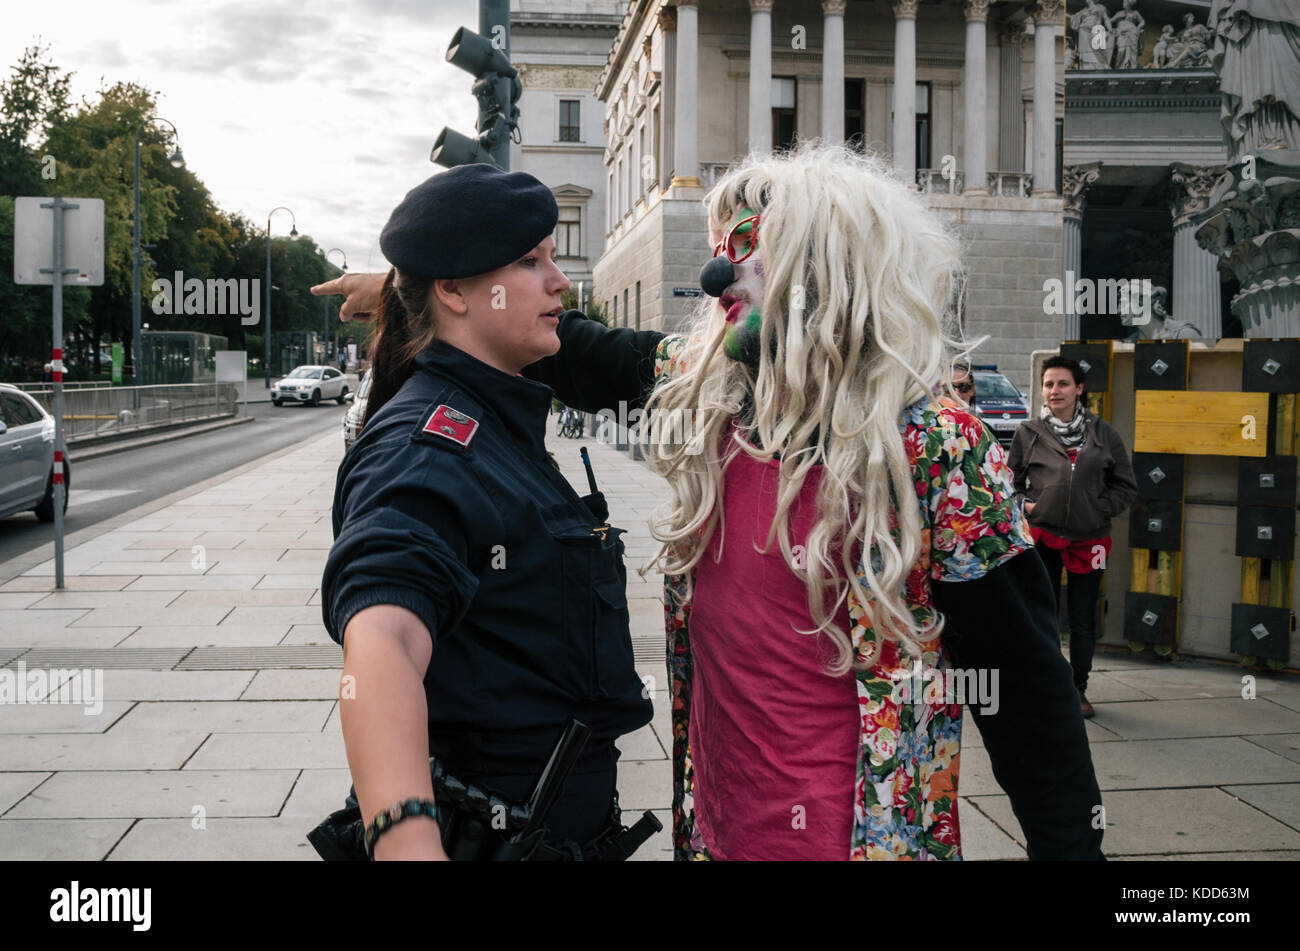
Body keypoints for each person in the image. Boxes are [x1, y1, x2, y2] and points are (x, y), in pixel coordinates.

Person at [321, 145, 1107, 861]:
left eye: (748, 253)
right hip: (715, 840)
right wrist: (417, 287)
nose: (716, 279)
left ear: (825, 273)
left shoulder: (933, 445)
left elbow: (1029, 702)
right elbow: (583, 350)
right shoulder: (719, 397)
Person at [311, 164, 656, 861]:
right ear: (452, 291)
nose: (561, 281)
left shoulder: (492, 417)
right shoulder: (429, 446)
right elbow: (383, 639)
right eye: (531, 261)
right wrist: (405, 838)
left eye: (554, 257)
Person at [1008, 355, 1138, 719]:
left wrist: (1096, 509)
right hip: (1043, 537)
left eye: (1063, 383)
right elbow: (1007, 486)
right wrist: (1030, 508)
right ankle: (1047, 686)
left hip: (1091, 540)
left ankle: (1078, 688)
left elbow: (1126, 487)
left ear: (1079, 389)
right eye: (1049, 384)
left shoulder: (1103, 434)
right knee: (1042, 615)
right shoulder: (1028, 433)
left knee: (1083, 618)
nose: (1054, 391)